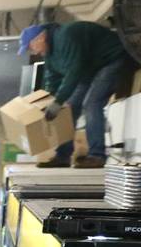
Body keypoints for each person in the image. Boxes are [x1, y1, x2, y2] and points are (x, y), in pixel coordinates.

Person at [20, 20, 130, 169]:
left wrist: (58, 102)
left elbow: (74, 71)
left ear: (40, 38)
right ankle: (63, 156)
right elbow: (52, 79)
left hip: (111, 59)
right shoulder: (49, 54)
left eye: (30, 47)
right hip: (89, 69)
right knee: (69, 108)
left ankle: (97, 156)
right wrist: (48, 102)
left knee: (91, 103)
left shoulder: (65, 37)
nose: (33, 52)